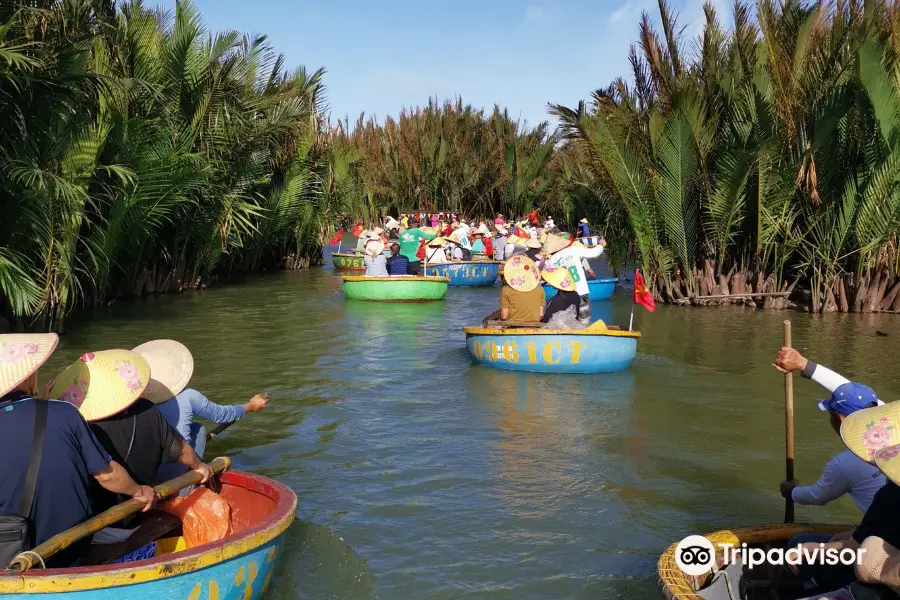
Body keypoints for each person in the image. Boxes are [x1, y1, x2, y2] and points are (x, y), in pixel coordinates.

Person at [0, 334, 156, 567]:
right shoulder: (65, 413)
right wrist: (138, 491)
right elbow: (107, 475)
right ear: (28, 374)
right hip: (68, 545)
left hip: (8, 546)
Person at [52, 350, 213, 516]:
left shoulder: (78, 424)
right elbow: (180, 450)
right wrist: (200, 466)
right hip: (134, 512)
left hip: (95, 517)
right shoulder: (146, 409)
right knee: (198, 432)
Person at [132, 340, 268, 480]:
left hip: (142, 476)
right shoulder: (188, 395)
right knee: (198, 430)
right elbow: (221, 415)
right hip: (178, 479)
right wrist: (251, 405)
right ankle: (195, 472)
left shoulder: (131, 405)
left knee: (196, 428)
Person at [775, 348, 886, 519]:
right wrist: (803, 365)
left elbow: (817, 496)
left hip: (888, 539)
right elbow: (857, 396)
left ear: (840, 419)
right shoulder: (893, 426)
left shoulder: (845, 464)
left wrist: (791, 492)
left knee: (798, 542)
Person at [543, 234, 607, 323]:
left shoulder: (550, 261)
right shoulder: (574, 250)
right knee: (584, 321)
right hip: (581, 292)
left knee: (566, 322)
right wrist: (601, 245)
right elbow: (594, 253)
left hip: (564, 295)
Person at [499, 255, 545, 322]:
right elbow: (540, 315)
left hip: (512, 326)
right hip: (534, 325)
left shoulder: (506, 289)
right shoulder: (539, 288)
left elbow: (504, 316)